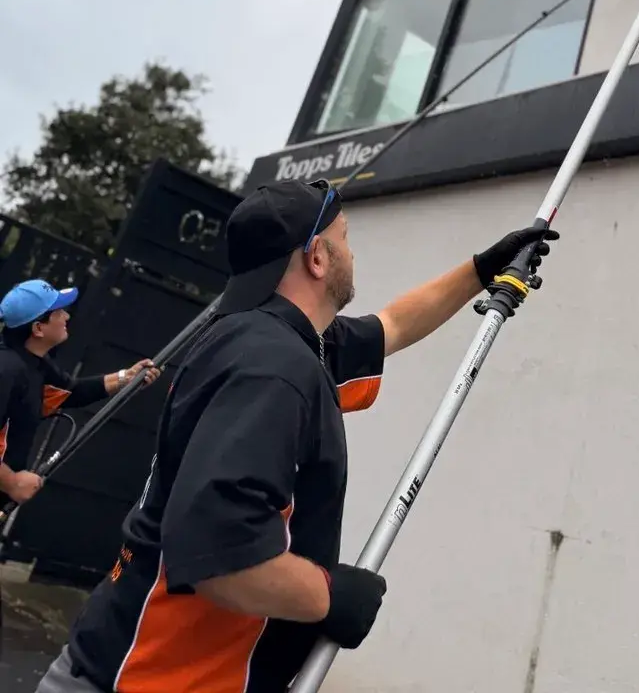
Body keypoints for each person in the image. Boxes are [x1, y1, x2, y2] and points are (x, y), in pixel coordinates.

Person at [34, 178, 558, 693]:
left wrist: (481, 270)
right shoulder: (272, 368)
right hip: (146, 678)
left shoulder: (277, 339)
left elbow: (392, 325)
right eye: (345, 238)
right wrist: (331, 597)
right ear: (317, 258)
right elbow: (223, 557)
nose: (352, 253)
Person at [0, 278, 160, 506]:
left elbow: (70, 391)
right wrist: (12, 482)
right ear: (38, 328)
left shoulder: (33, 363)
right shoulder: (6, 370)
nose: (67, 316)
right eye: (59, 312)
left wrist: (126, 378)